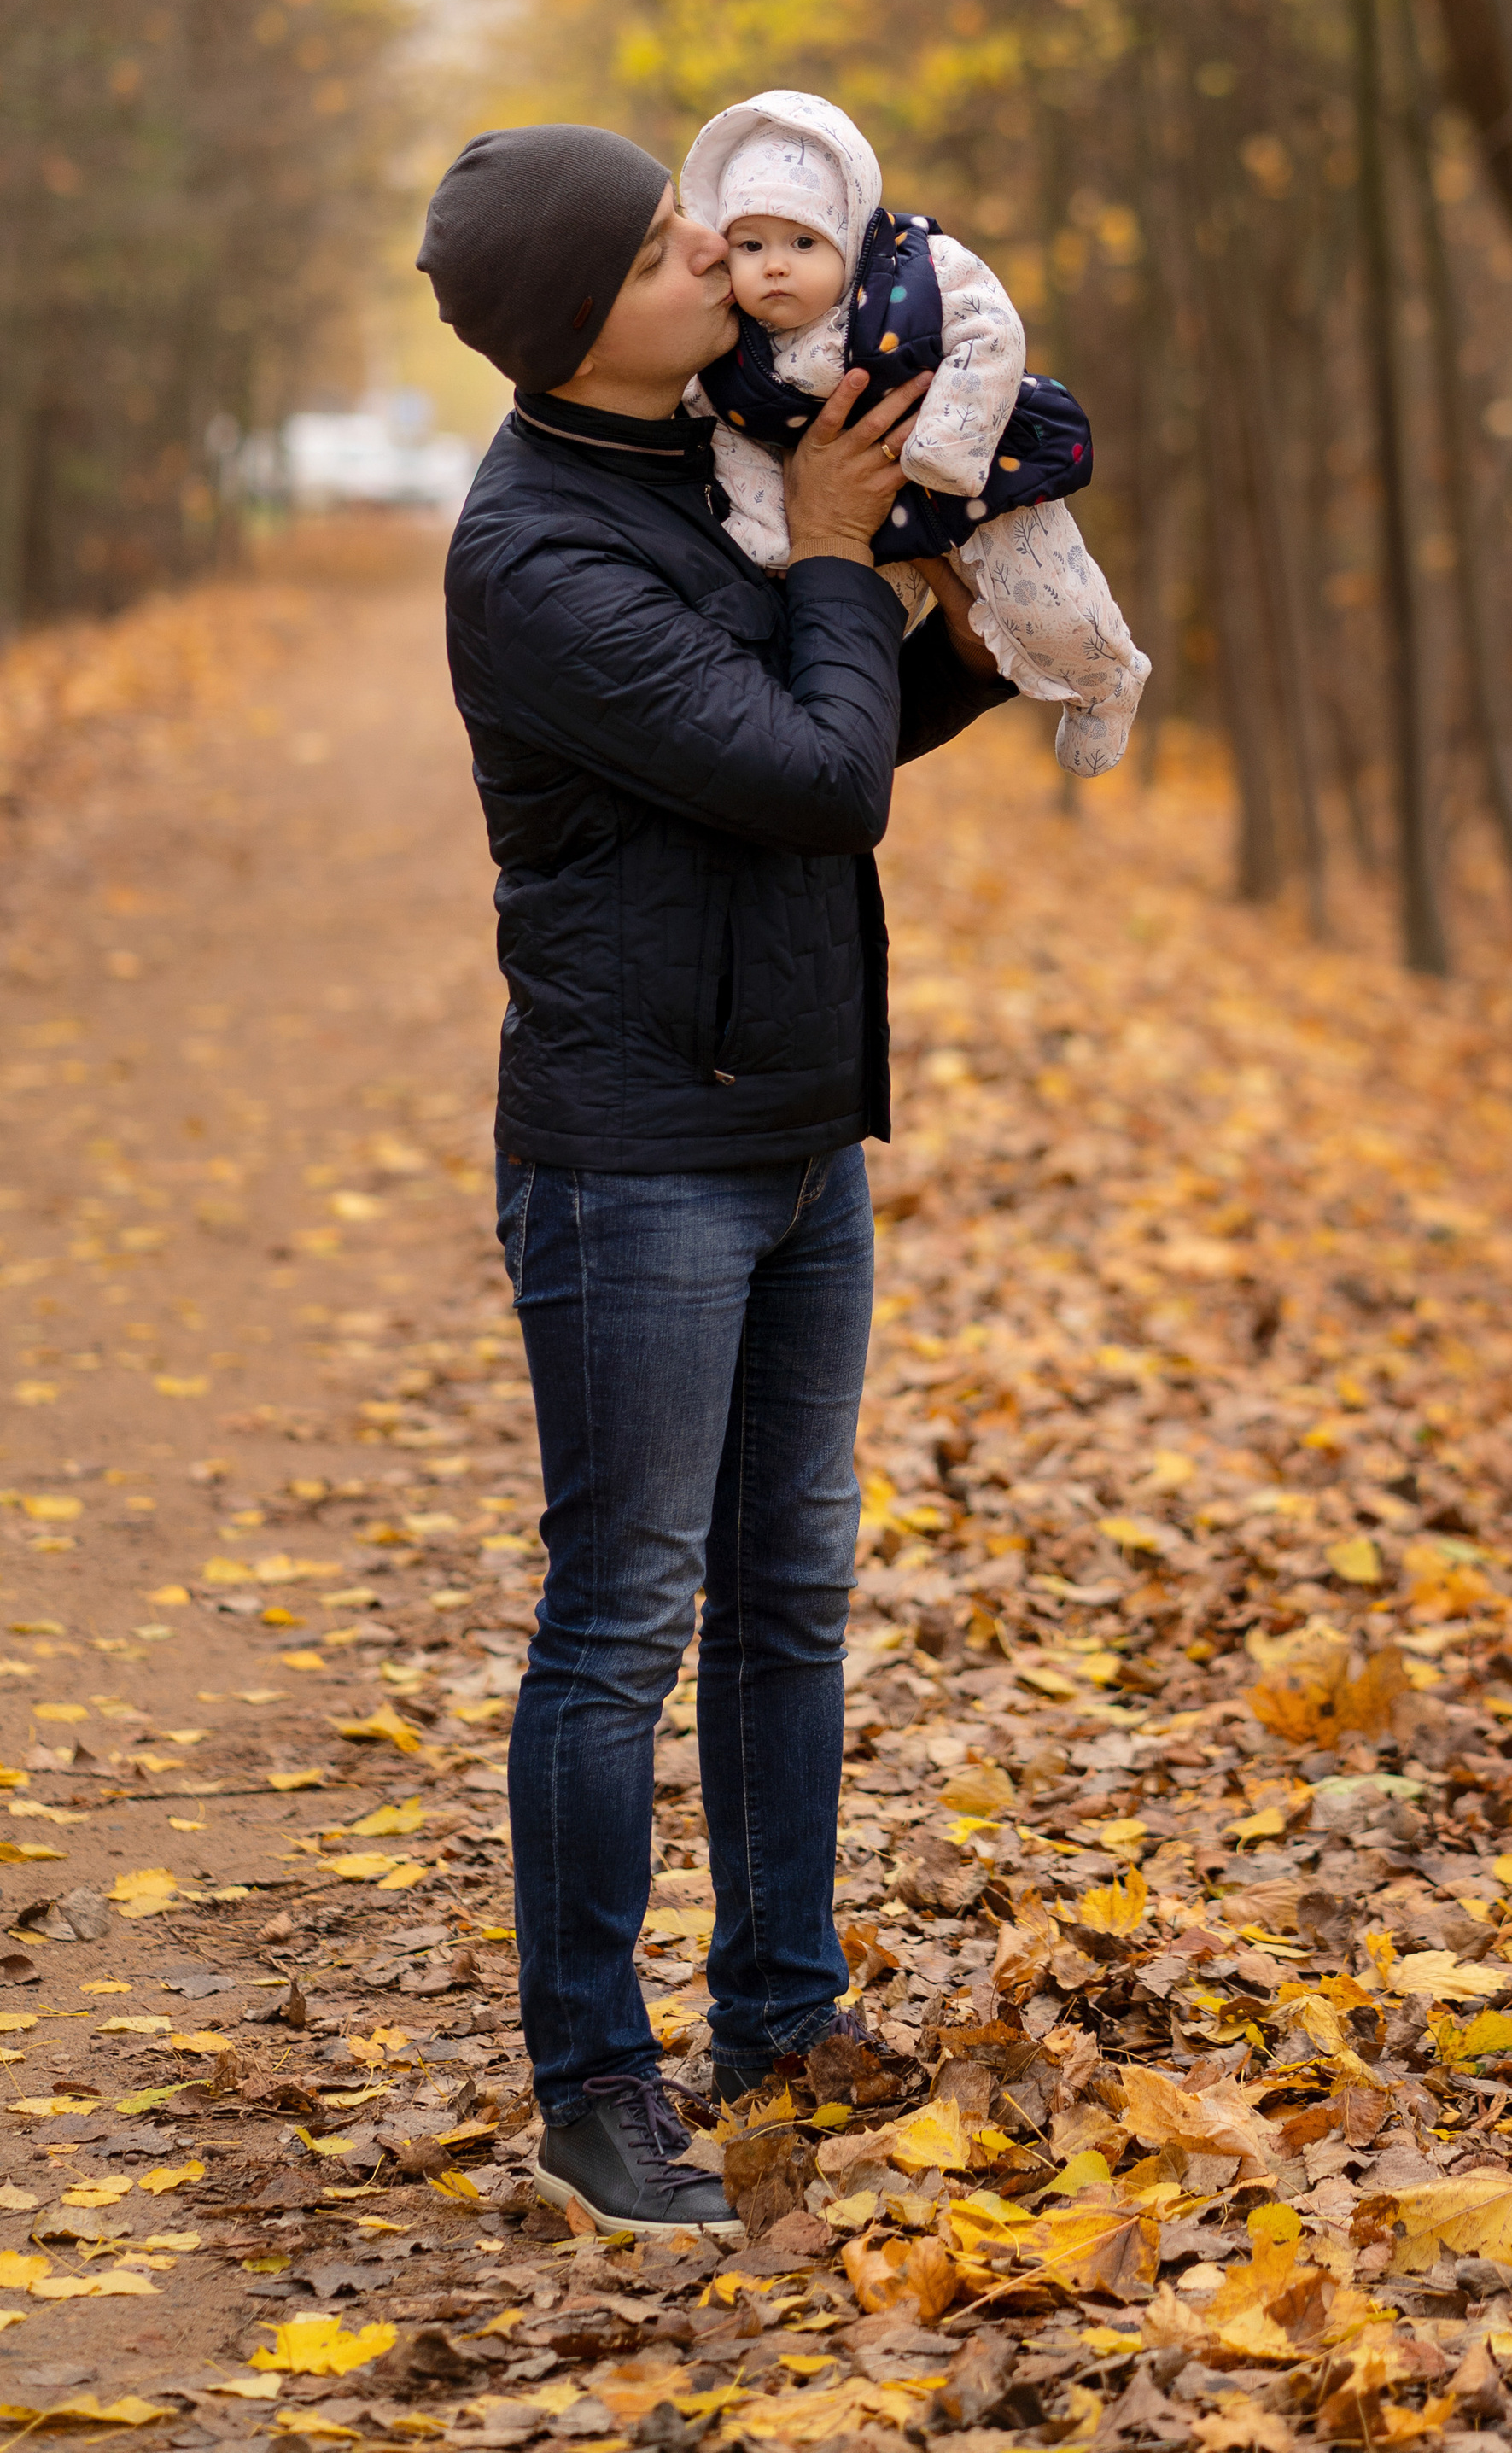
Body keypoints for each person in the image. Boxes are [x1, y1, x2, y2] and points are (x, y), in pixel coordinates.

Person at [418, 120, 1015, 2234]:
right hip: (634, 1154)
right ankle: (594, 2082)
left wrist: (959, 631)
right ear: (580, 320)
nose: (715, 247)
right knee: (619, 1621)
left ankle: (781, 2014)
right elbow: (811, 777)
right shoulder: (536, 553)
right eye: (669, 242)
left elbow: (804, 749)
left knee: (790, 1597)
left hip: (787, 1119)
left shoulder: (706, 462)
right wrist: (846, 569)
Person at [685, 89, 1149, 775]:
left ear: (847, 232)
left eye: (803, 242)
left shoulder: (915, 269)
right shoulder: (730, 350)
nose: (775, 264)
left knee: (1051, 598)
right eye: (751, 246)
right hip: (866, 524)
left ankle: (1106, 684)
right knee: (851, 650)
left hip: (983, 475)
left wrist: (952, 443)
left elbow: (992, 331)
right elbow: (730, 444)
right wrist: (768, 535)